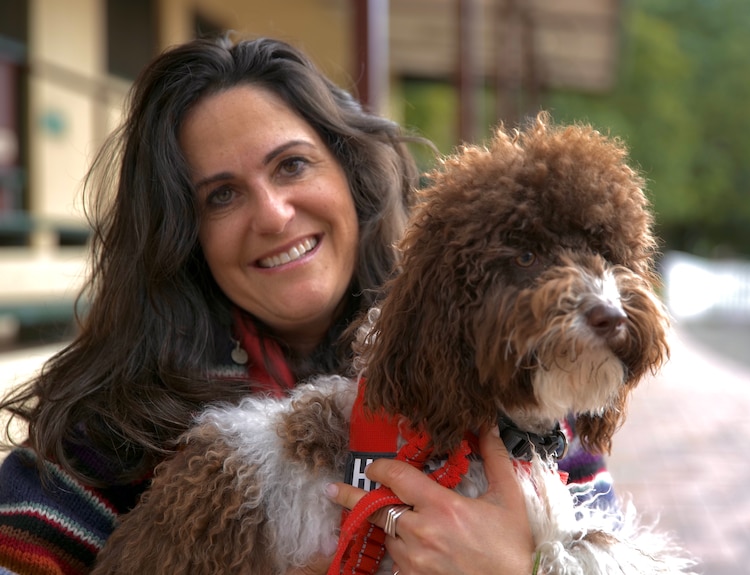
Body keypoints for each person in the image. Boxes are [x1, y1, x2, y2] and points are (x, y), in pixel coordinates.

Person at [0, 35, 614, 575]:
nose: (271, 214)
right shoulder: (115, 422)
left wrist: (517, 570)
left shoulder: (506, 367)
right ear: (184, 235)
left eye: (291, 165)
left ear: (350, 172)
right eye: (220, 196)